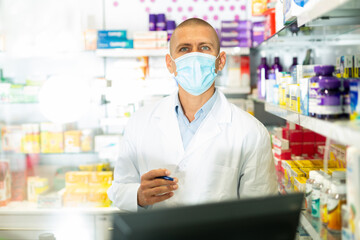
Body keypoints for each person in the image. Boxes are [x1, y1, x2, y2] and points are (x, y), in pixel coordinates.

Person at [107, 18, 277, 212]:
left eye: (204, 48)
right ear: (170, 64)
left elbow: (259, 213)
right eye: (184, 49)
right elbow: (119, 189)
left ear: (220, 61)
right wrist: (138, 196)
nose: (195, 57)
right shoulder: (139, 123)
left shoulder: (251, 132)